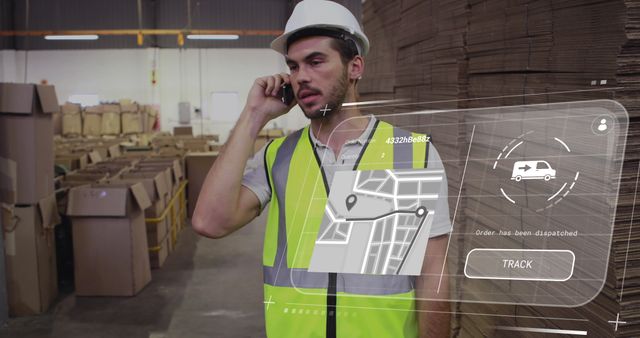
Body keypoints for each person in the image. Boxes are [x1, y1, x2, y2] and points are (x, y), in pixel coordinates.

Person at [192, 1, 452, 337]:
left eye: (315, 62)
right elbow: (209, 222)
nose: (301, 77)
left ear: (355, 66)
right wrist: (253, 116)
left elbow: (433, 273)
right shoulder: (279, 155)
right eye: (294, 66)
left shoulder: (412, 153)